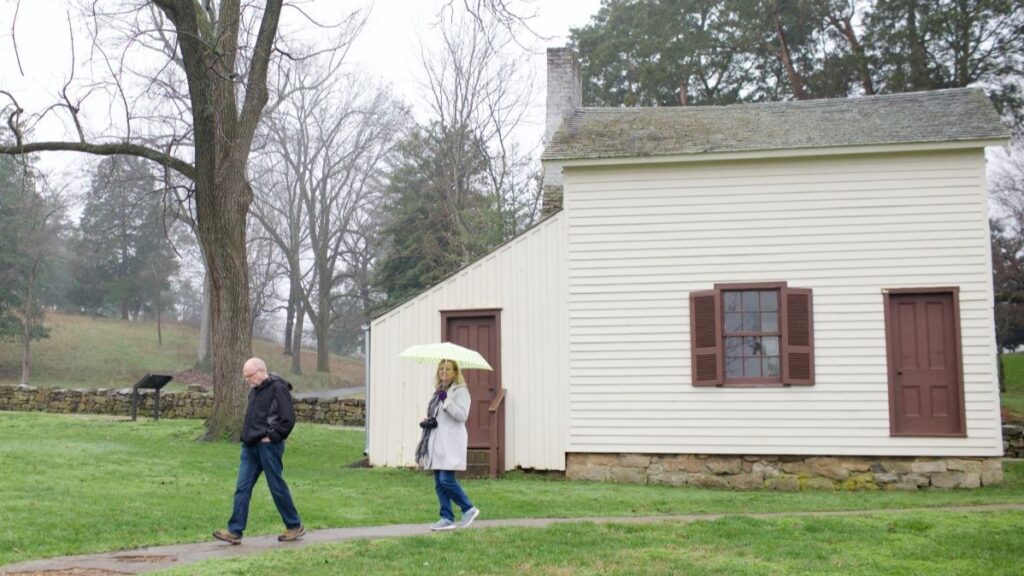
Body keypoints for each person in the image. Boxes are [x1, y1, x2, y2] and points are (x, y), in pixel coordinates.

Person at [213, 357, 305, 545]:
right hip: (250, 446)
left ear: (261, 370)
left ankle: (294, 525)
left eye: (250, 376)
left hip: (268, 447)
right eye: (246, 377)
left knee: (276, 486)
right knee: (242, 487)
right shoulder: (255, 390)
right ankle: (234, 531)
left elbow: (288, 419)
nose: (248, 381)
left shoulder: (278, 388)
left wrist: (271, 436)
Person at [416, 359, 481, 531]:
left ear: (455, 372)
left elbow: (462, 415)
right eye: (441, 369)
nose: (443, 372)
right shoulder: (439, 392)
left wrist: (447, 401)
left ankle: (469, 508)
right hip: (437, 442)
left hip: (451, 442)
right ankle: (446, 518)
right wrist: (430, 420)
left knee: (446, 479)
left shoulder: (461, 392)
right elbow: (440, 417)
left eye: (448, 369)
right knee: (439, 482)